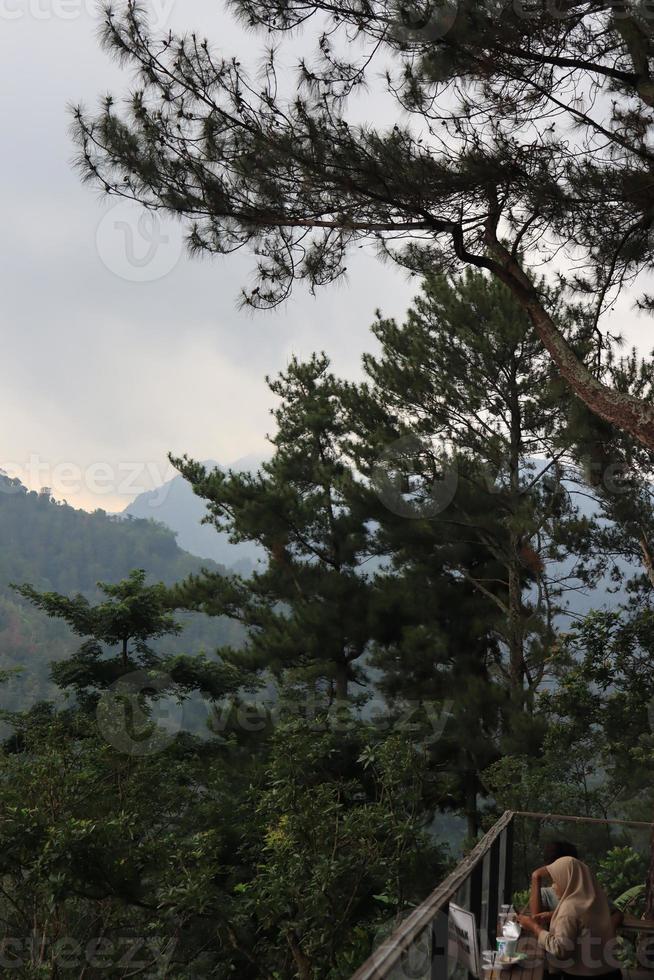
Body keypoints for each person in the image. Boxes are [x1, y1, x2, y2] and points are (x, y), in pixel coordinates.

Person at [518, 856, 622, 979]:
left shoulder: (569, 908)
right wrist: (553, 916)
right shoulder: (597, 899)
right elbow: (584, 921)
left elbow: (561, 949)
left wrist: (534, 927)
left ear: (569, 880)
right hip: (612, 972)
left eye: (556, 881)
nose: (553, 886)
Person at [531, 841, 579, 916]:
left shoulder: (584, 892)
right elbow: (537, 918)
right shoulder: (546, 894)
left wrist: (551, 915)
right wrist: (535, 877)